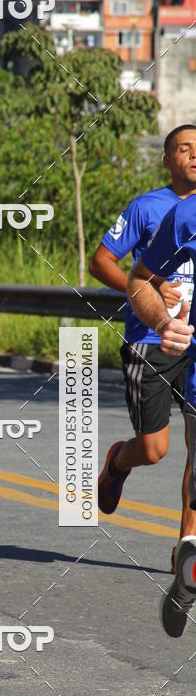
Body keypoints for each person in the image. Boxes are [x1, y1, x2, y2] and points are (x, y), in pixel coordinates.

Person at [91, 124, 196, 571]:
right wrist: (154, 284)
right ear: (166, 159)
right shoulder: (147, 207)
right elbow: (102, 262)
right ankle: (118, 461)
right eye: (184, 149)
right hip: (150, 338)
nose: (194, 156)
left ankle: (186, 551)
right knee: (154, 449)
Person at [127, 192, 196, 637]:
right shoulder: (186, 215)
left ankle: (191, 553)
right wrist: (162, 323)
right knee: (157, 449)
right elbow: (140, 280)